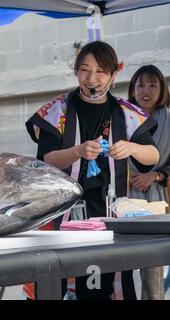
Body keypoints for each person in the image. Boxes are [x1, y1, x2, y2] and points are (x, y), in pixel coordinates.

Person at [26, 41, 159, 300]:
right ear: (76, 72)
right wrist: (77, 151)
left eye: (100, 71)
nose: (92, 78)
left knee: (109, 284)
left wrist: (131, 147)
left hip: (111, 214)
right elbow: (46, 160)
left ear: (113, 74)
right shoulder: (58, 110)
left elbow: (151, 156)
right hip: (61, 215)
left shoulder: (126, 111)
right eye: (85, 70)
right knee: (59, 284)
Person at [127, 65, 170, 300]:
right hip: (121, 194)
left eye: (153, 85)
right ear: (132, 88)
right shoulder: (121, 116)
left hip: (155, 198)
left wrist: (154, 175)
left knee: (152, 264)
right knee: (115, 259)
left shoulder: (169, 120)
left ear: (162, 89)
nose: (146, 91)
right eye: (141, 84)